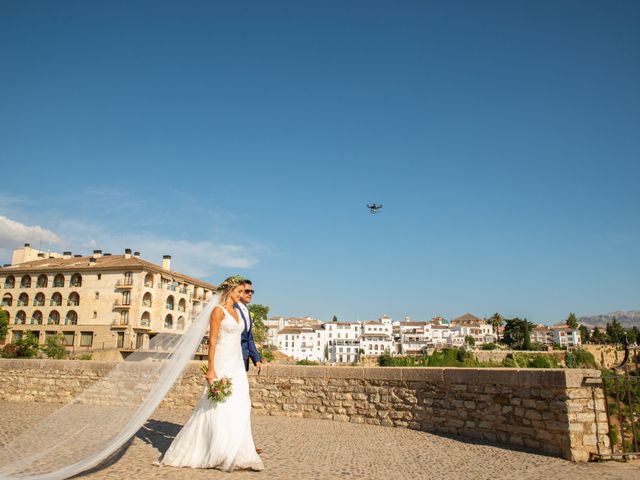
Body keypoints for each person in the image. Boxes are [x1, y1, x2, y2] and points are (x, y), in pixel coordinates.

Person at [158, 275, 264, 472]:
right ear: (229, 291)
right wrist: (211, 369)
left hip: (237, 365)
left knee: (241, 405)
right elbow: (213, 341)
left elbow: (246, 338)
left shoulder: (240, 313)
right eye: (239, 291)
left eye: (244, 292)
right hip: (222, 362)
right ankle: (215, 449)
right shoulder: (217, 311)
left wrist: (255, 357)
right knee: (217, 406)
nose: (242, 295)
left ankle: (238, 448)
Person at [234, 279, 263, 374]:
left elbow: (249, 338)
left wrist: (256, 359)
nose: (250, 294)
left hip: (244, 360)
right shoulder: (233, 309)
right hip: (233, 358)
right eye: (247, 291)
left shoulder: (247, 312)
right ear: (239, 291)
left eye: (252, 291)